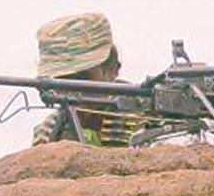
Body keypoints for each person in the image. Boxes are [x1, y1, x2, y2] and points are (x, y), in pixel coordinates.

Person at [32, 12, 139, 147]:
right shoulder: (51, 130)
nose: (72, 90)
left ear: (112, 70)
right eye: (61, 81)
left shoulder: (142, 120)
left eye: (81, 78)